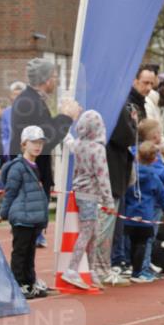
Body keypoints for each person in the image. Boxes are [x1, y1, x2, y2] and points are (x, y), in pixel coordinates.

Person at [10, 59, 81, 249]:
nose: (56, 81)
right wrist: (66, 117)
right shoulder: (29, 102)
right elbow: (46, 140)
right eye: (54, 77)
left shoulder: (32, 100)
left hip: (32, 172)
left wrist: (63, 117)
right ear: (46, 79)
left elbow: (45, 132)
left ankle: (28, 266)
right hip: (30, 175)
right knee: (25, 239)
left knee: (29, 238)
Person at [63, 110, 115, 290]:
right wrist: (109, 200)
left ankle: (91, 270)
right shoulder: (98, 149)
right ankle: (72, 269)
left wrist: (65, 132)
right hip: (91, 194)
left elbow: (69, 142)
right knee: (88, 232)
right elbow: (103, 176)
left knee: (92, 232)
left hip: (79, 191)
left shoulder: (78, 144)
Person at [0, 126, 50, 299]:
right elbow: (10, 191)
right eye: (33, 142)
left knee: (30, 253)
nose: (38, 146)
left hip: (33, 217)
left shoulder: (34, 166)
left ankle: (29, 281)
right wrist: (3, 212)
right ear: (23, 144)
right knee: (20, 252)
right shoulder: (18, 167)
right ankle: (17, 283)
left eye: (40, 143)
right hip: (22, 217)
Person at [123, 141, 164, 283]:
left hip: (129, 215)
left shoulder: (130, 173)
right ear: (154, 160)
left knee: (131, 242)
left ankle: (130, 267)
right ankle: (138, 272)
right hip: (146, 216)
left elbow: (125, 192)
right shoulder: (153, 176)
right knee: (142, 244)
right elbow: (162, 195)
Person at [98, 104, 136, 286]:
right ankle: (101, 269)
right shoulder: (117, 105)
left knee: (103, 225)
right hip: (111, 174)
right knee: (105, 226)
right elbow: (127, 136)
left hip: (106, 176)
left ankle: (101, 267)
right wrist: (133, 124)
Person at [1, 82, 26, 157]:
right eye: (15, 94)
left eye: (20, 95)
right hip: (11, 153)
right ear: (11, 96)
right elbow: (4, 135)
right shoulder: (6, 112)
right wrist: (6, 150)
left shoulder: (30, 111)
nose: (17, 97)